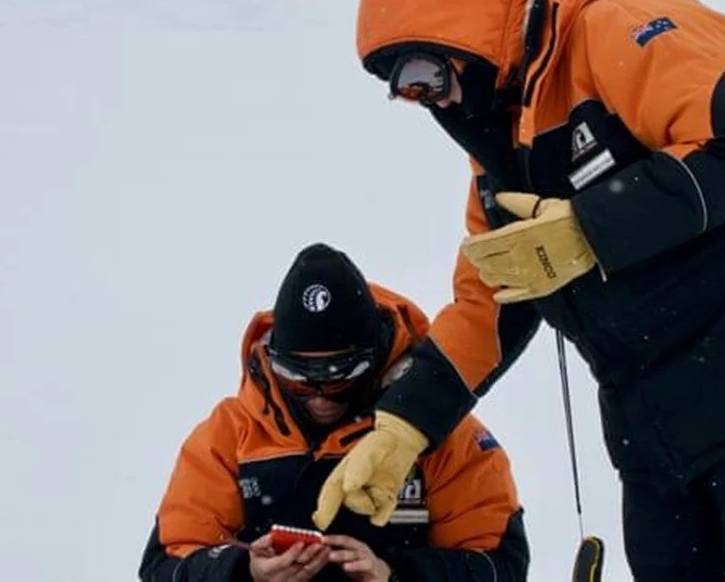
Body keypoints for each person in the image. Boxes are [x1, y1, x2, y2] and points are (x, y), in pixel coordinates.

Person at [312, 0, 725, 580]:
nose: (423, 98)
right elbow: (492, 300)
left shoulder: (625, 27)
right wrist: (404, 424)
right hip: (654, 433)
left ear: (472, 30)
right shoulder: (501, 154)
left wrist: (590, 228)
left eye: (424, 70)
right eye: (401, 87)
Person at [139, 243, 529, 582]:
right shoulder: (228, 437)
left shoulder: (440, 433)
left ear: (376, 359)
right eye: (298, 377)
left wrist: (395, 575)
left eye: (342, 375)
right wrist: (245, 573)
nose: (320, 396)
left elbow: (500, 565)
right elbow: (165, 564)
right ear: (273, 361)